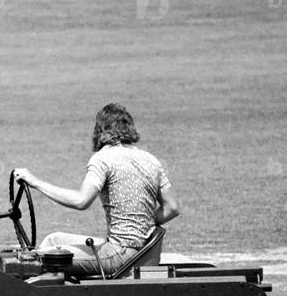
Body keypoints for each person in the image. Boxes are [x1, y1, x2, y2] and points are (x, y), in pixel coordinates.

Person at [13, 103, 180, 277]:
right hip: (146, 253)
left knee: (44, 258)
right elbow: (173, 207)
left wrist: (35, 182)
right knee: (53, 240)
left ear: (100, 130)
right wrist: (143, 223)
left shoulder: (103, 159)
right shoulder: (151, 160)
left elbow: (81, 201)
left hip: (120, 255)